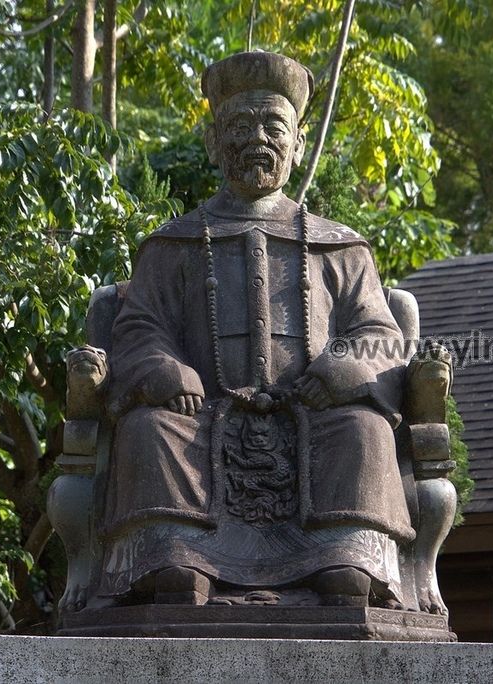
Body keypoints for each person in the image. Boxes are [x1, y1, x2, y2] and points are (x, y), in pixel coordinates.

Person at [99, 51, 415, 608]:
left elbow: (381, 334)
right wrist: (163, 369)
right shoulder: (171, 245)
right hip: (200, 421)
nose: (257, 140)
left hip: (314, 416)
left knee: (364, 431)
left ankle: (344, 556)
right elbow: (137, 328)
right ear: (214, 142)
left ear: (297, 142)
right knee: (150, 430)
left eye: (274, 126)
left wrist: (347, 369)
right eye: (239, 127)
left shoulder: (340, 247)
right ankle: (177, 556)